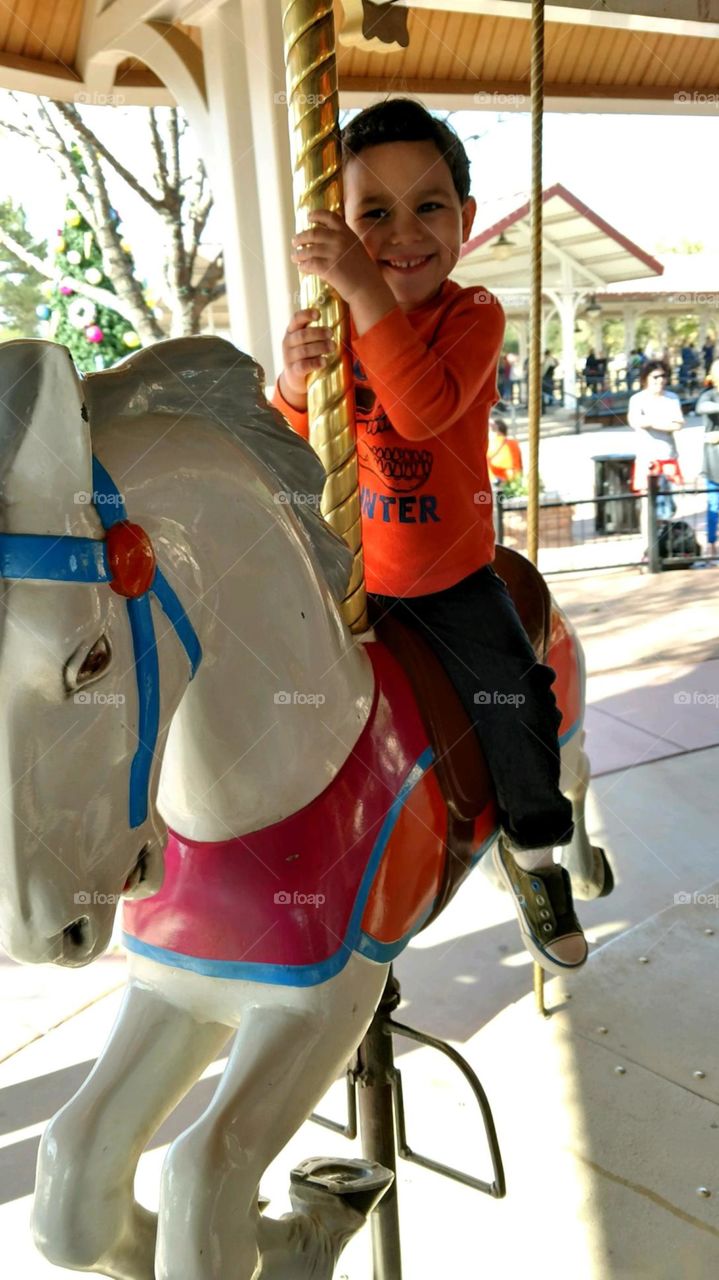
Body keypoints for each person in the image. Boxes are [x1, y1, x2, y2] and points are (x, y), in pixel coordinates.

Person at [272, 98, 586, 975]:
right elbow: (294, 452)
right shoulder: (338, 326)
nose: (402, 233)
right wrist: (296, 387)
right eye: (373, 214)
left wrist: (363, 288)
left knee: (510, 697)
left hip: (447, 579)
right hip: (349, 576)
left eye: (427, 206)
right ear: (340, 226)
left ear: (466, 219)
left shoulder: (471, 314)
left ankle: (535, 855)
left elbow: (421, 410)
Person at [628, 360, 684, 545]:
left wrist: (651, 421)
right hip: (647, 458)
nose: (660, 380)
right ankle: (648, 546)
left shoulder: (672, 398)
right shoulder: (637, 399)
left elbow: (677, 424)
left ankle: (664, 544)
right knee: (647, 504)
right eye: (656, 377)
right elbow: (636, 421)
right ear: (646, 379)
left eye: (663, 376)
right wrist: (662, 422)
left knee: (668, 505)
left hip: (668, 457)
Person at [695, 357, 719, 558]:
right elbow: (702, 408)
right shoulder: (708, 395)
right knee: (714, 503)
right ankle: (711, 544)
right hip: (714, 459)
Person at [487, 416, 523, 485]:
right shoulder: (513, 443)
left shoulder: (489, 444)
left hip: (495, 480)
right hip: (512, 480)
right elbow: (519, 465)